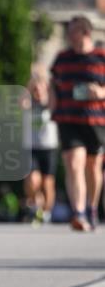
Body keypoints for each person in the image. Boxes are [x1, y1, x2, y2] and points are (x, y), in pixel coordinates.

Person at [49, 15, 105, 231]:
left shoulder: (101, 56)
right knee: (74, 163)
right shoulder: (62, 58)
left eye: (72, 32)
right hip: (67, 117)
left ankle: (91, 208)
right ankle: (78, 212)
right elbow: (54, 84)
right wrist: (52, 104)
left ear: (86, 33)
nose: (68, 36)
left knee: (93, 167)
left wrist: (101, 92)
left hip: (96, 120)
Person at [22, 71, 58, 224]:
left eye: (40, 89)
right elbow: (22, 98)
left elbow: (53, 97)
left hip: (48, 147)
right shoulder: (28, 105)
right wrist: (33, 78)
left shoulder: (50, 105)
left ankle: (47, 211)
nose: (37, 91)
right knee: (32, 180)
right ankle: (34, 203)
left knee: (47, 183)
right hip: (31, 147)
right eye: (35, 89)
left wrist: (47, 81)